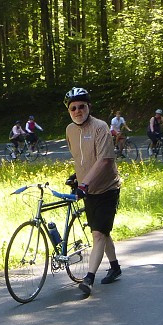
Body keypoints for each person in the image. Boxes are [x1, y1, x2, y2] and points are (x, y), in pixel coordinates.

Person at [64, 87, 123, 295]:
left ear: (89, 106)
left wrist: (84, 184)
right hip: (87, 190)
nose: (78, 111)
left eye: (82, 106)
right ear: (69, 110)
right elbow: (80, 158)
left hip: (107, 188)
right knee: (101, 230)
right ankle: (114, 267)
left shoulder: (100, 127)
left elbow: (105, 160)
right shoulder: (70, 130)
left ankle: (88, 280)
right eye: (73, 108)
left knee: (98, 233)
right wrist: (77, 177)